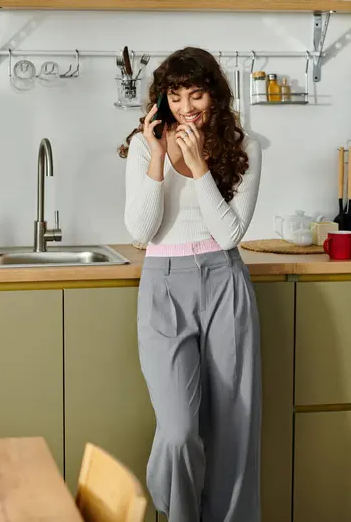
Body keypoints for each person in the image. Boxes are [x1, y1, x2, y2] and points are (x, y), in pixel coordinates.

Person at [118, 47, 262, 522]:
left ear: (215, 96)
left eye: (195, 95)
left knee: (232, 430)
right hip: (165, 286)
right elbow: (141, 232)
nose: (184, 108)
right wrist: (159, 155)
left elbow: (230, 234)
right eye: (175, 96)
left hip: (225, 283)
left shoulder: (246, 146)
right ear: (162, 100)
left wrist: (199, 164)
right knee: (179, 429)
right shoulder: (145, 146)